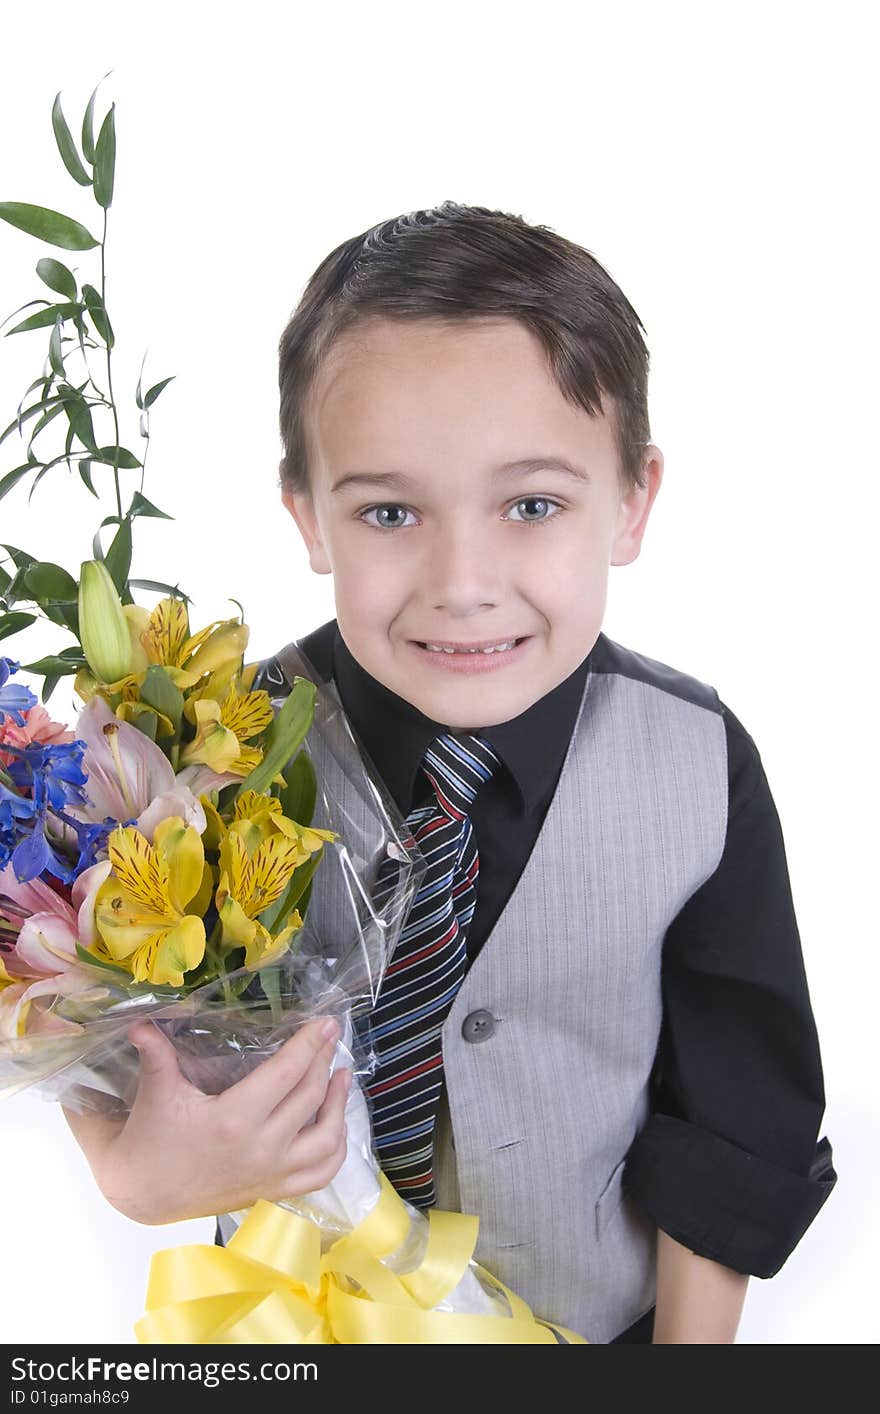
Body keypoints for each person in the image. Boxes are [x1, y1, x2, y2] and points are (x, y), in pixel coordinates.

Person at [64, 202, 836, 1343]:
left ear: (630, 501)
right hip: (285, 1325)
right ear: (308, 519)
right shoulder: (204, 754)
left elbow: (733, 1111)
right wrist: (129, 1174)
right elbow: (98, 1019)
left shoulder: (695, 762)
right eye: (389, 510)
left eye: (532, 504)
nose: (462, 580)